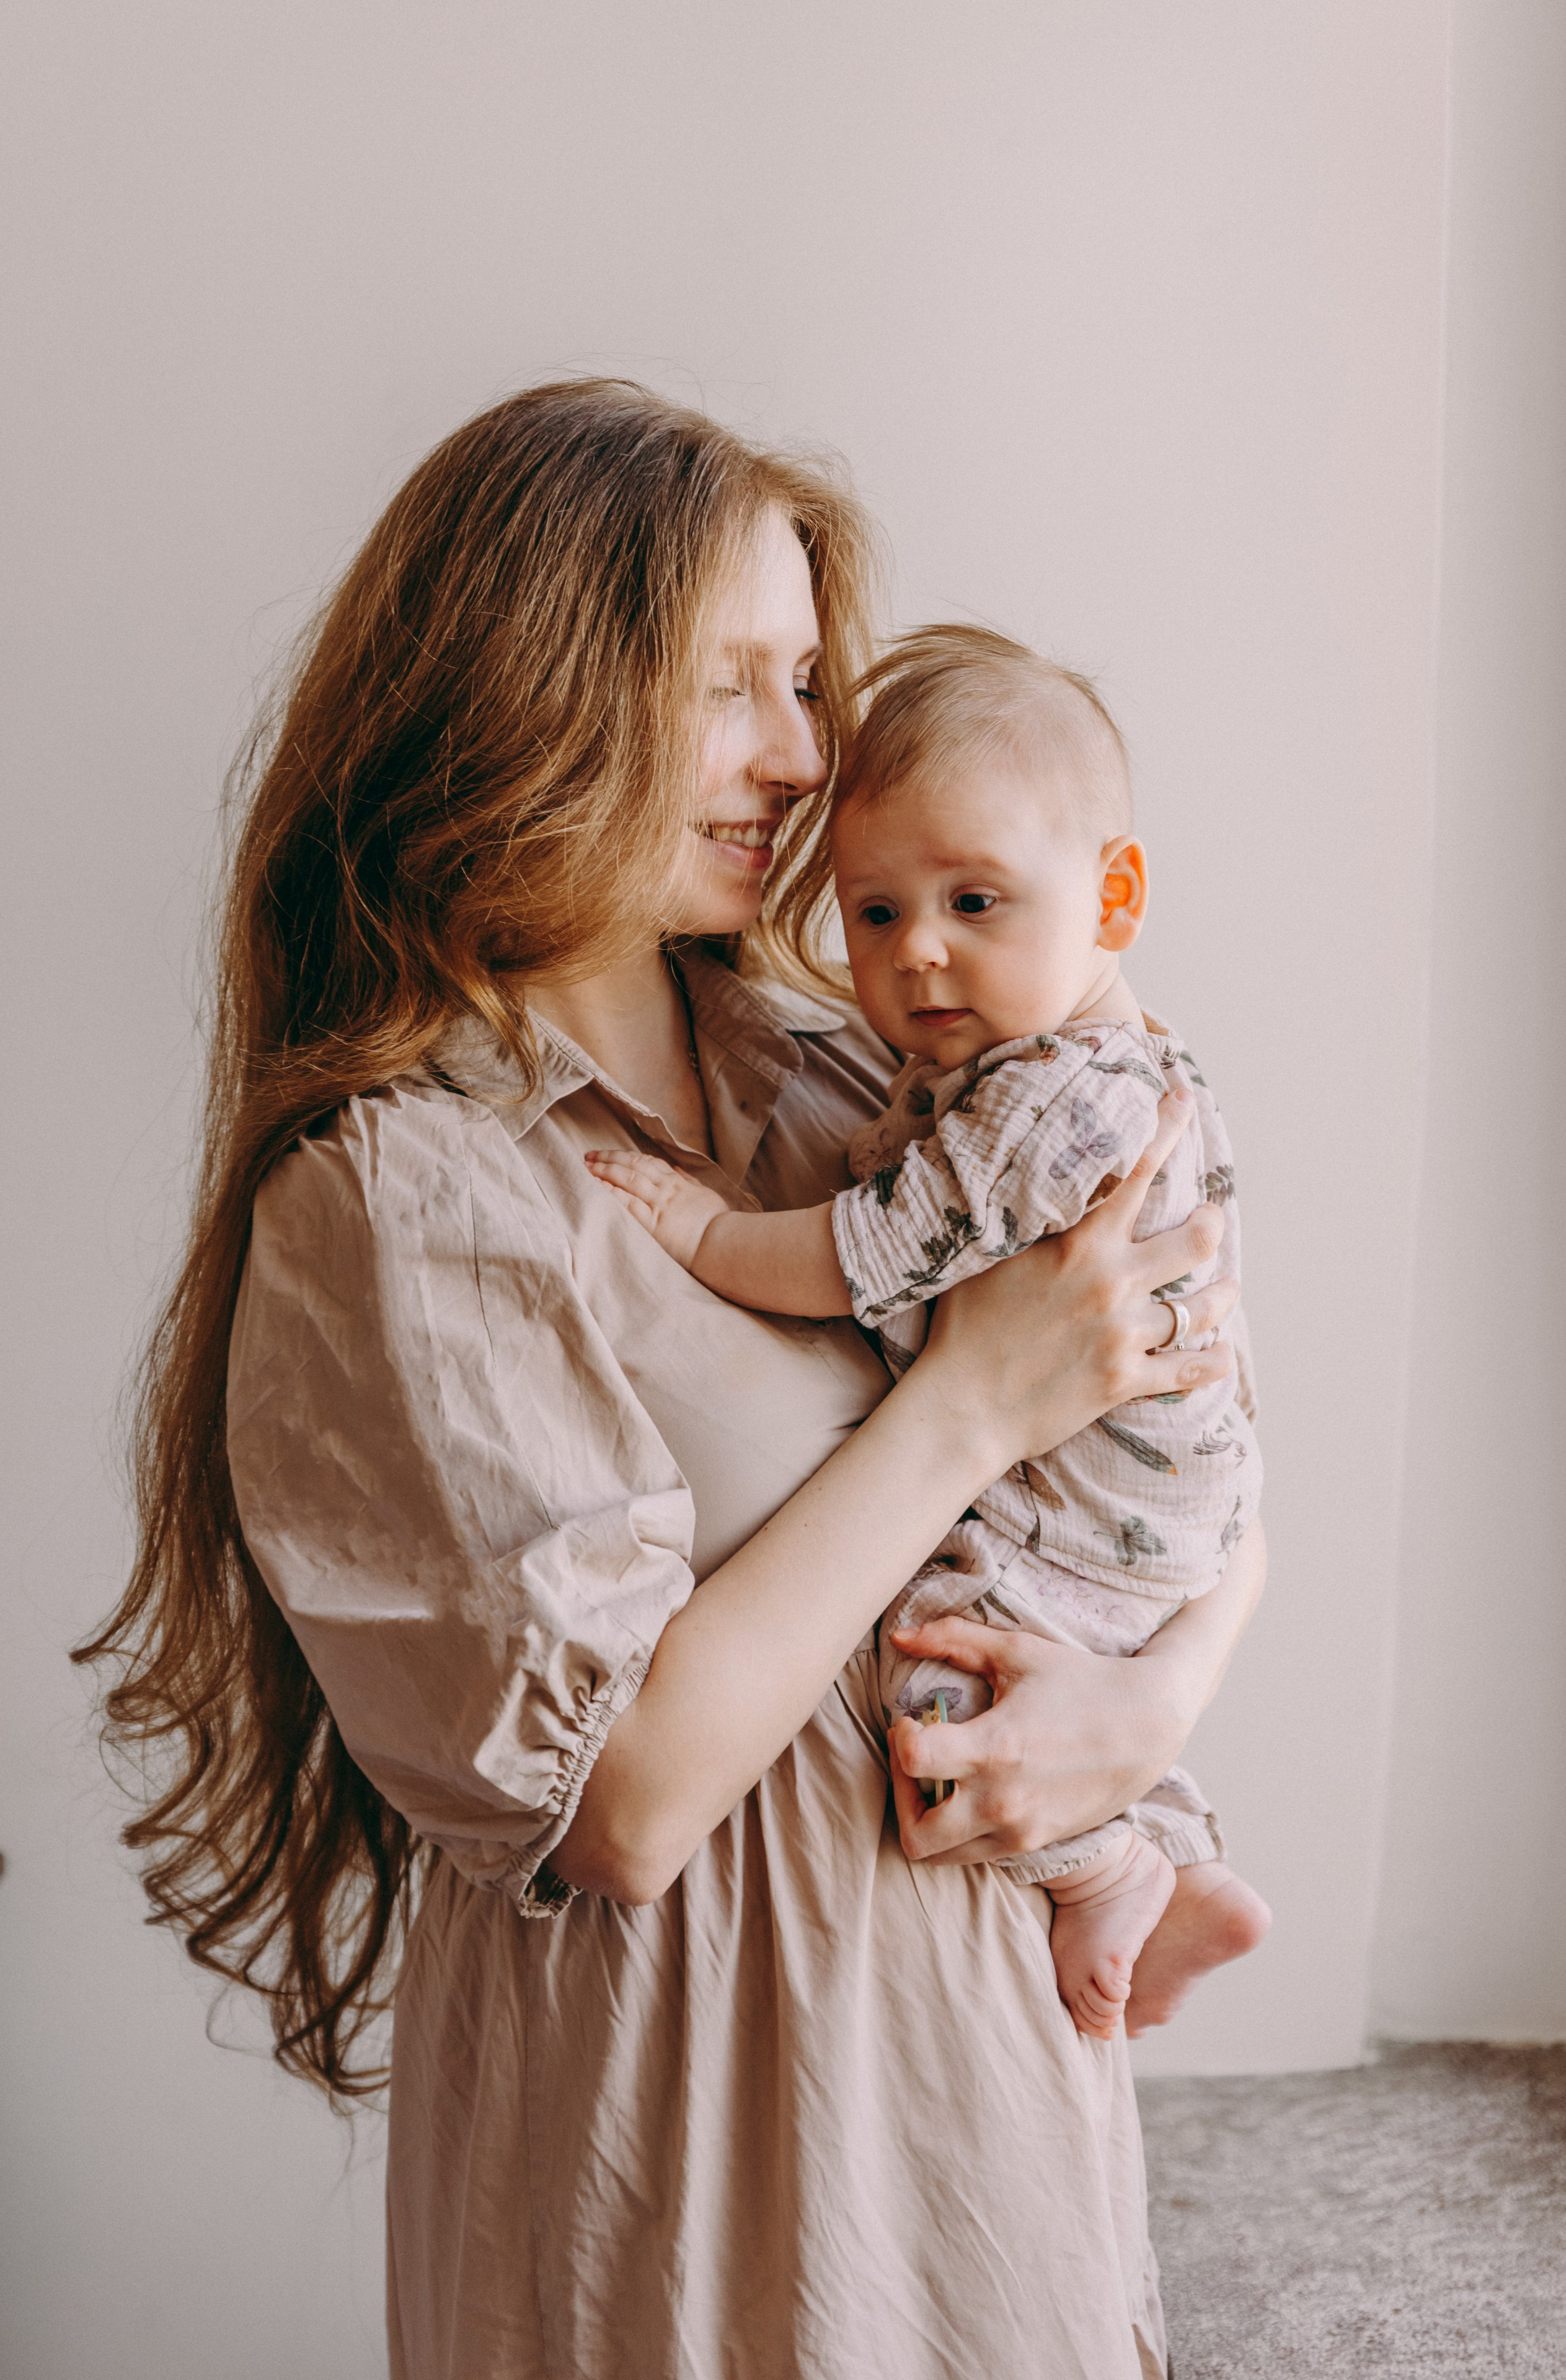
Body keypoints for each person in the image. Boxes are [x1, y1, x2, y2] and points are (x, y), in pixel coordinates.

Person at [77, 380, 1267, 2380]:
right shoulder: (396, 1197)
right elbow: (622, 1801)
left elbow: (1202, 1442)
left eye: (812, 683)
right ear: (537, 691)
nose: (809, 759)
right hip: (699, 2167)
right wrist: (964, 1408)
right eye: (736, 687)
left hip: (984, 2118)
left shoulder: (857, 1080)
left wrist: (1141, 1719)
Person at [587, 622, 1272, 2045]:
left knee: (946, 1675)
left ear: (1113, 892)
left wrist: (701, 1230)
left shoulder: (1049, 1102)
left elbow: (866, 1251)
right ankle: (1190, 1861)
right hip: (1154, 1495)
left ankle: (1113, 1869)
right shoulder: (1024, 1063)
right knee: (1058, 1656)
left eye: (974, 899)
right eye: (877, 914)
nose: (921, 956)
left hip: (1100, 1507)